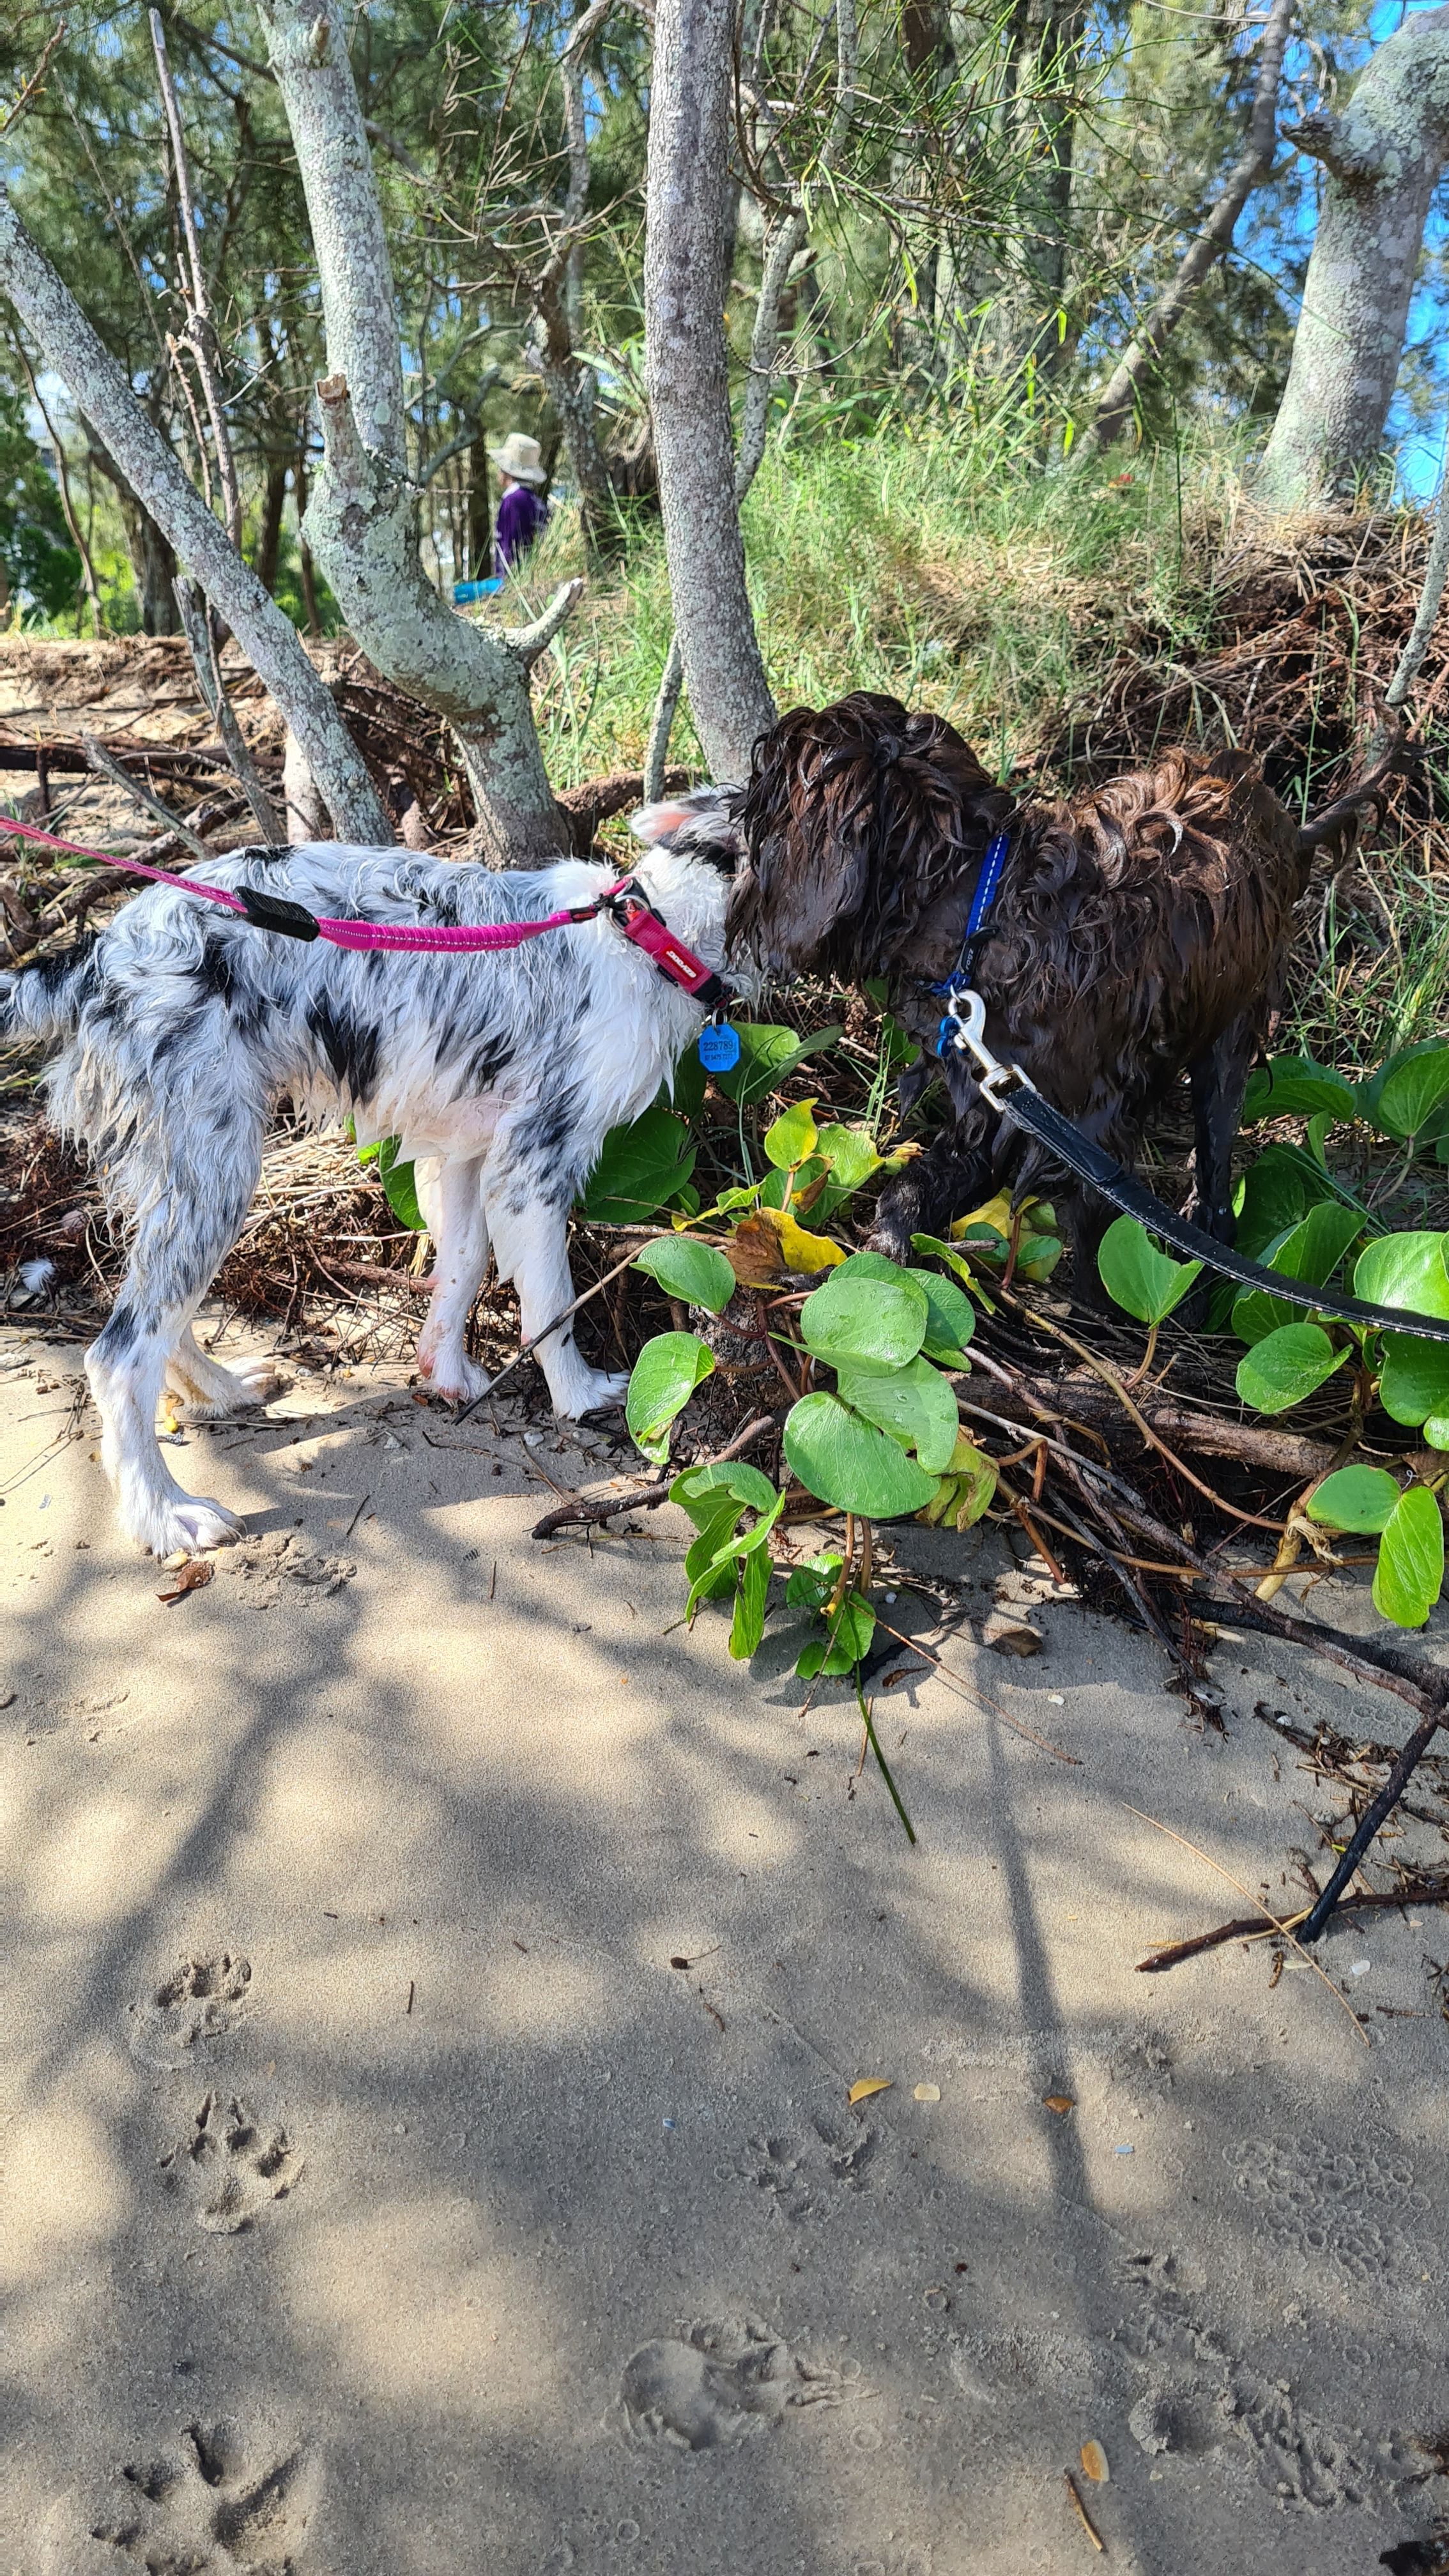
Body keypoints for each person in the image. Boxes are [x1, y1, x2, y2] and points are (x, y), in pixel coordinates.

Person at [489, 432, 549, 578]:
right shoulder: (534, 500)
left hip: (518, 578)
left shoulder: (512, 500)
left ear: (507, 470)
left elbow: (508, 545)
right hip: (535, 574)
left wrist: (505, 578)